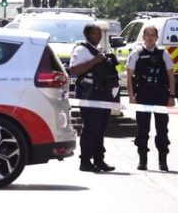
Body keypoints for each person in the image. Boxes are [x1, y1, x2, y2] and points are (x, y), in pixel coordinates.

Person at [69, 22, 120, 172]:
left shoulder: (100, 50)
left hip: (103, 94)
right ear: (87, 35)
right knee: (91, 127)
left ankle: (99, 160)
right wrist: (94, 61)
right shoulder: (81, 50)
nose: (98, 36)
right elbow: (74, 70)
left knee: (101, 128)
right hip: (89, 94)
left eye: (99, 34)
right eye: (94, 34)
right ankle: (85, 161)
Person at [126, 25, 175, 171]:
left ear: (156, 37)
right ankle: (142, 160)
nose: (150, 37)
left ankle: (163, 161)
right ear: (143, 37)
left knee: (162, 129)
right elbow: (129, 77)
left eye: (153, 35)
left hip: (160, 95)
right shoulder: (136, 54)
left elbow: (171, 76)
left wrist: (171, 96)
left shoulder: (164, 54)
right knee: (142, 129)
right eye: (147, 34)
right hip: (143, 95)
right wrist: (131, 97)